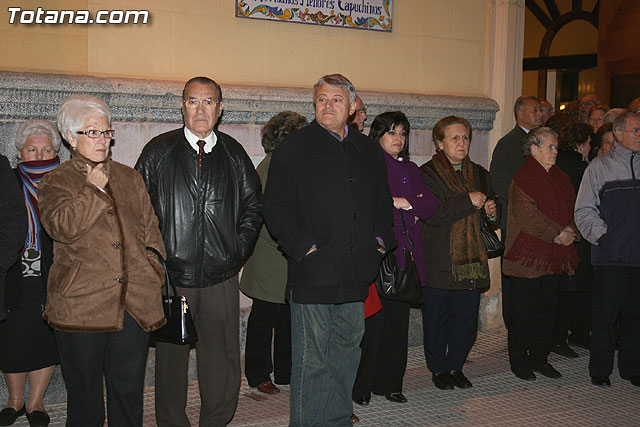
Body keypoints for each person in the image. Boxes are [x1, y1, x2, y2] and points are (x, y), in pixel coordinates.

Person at [263, 74, 395, 426]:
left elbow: (383, 203)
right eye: (322, 99)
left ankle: (337, 420)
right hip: (314, 272)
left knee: (346, 353)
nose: (328, 105)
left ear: (352, 107)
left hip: (356, 270)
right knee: (312, 360)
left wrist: (379, 245)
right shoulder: (294, 148)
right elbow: (276, 207)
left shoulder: (367, 149)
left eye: (337, 99)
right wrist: (304, 248)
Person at [135, 76, 263, 426]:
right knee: (171, 360)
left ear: (220, 109)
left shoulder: (233, 153)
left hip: (220, 276)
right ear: (183, 106)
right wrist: (154, 257)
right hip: (174, 279)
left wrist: (236, 250)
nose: (201, 109)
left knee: (221, 358)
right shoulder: (158, 152)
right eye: (193, 101)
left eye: (209, 102)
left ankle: (215, 420)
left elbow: (254, 205)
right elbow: (136, 209)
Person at [38, 95, 167, 426]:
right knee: (85, 400)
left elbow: (151, 232)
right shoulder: (57, 180)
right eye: (91, 132)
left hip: (133, 304)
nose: (102, 140)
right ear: (70, 138)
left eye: (105, 132)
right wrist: (93, 190)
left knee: (128, 394)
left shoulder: (130, 177)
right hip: (81, 307)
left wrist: (153, 269)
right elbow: (62, 228)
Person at [352, 111, 438, 405]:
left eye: (402, 133)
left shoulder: (412, 169)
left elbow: (430, 204)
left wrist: (405, 202)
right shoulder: (369, 164)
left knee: (398, 326)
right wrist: (396, 204)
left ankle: (390, 383)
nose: (398, 139)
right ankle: (362, 386)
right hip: (377, 255)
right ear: (377, 136)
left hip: (405, 257)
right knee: (371, 326)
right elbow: (365, 205)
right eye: (391, 132)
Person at [420, 116, 499, 390]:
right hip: (440, 259)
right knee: (436, 318)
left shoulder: (479, 173)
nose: (461, 143)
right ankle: (438, 368)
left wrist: (491, 210)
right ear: (440, 143)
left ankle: (456, 365)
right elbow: (432, 214)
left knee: (465, 320)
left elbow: (492, 203)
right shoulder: (427, 174)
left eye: (465, 137)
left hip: (471, 261)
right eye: (454, 138)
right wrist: (468, 201)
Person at [503, 127, 580, 382]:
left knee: (548, 312)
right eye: (549, 146)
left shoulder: (560, 177)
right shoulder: (524, 176)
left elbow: (572, 208)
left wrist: (571, 230)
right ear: (533, 149)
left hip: (553, 257)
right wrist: (560, 233)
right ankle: (519, 361)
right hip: (528, 257)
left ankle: (540, 358)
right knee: (523, 313)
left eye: (556, 147)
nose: (555, 151)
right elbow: (527, 216)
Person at [240, 111, 307, 395]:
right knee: (264, 319)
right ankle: (257, 374)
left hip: (285, 255)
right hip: (272, 256)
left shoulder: (289, 164)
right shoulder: (274, 166)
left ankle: (285, 371)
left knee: (287, 317)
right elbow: (266, 213)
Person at [0, 121, 61, 427]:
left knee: (44, 337)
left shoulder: (64, 182)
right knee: (12, 335)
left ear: (56, 151)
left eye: (46, 149)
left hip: (53, 270)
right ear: (20, 153)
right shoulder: (7, 180)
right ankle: (14, 401)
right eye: (32, 149)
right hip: (14, 269)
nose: (39, 155)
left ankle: (36, 402)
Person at [575, 111, 640, 388]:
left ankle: (632, 368)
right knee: (605, 317)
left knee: (636, 318)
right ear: (619, 134)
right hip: (611, 256)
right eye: (636, 130)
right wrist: (605, 237)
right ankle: (600, 369)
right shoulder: (600, 167)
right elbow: (584, 209)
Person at [490, 96, 542, 329]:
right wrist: (522, 206)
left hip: (538, 222)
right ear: (520, 114)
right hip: (515, 220)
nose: (540, 114)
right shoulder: (509, 143)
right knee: (514, 277)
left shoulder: (539, 142)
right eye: (535, 110)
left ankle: (532, 326)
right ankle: (515, 328)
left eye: (541, 110)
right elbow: (499, 181)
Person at [551, 120, 592, 358]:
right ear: (580, 144)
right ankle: (562, 337)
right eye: (588, 144)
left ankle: (561, 335)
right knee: (571, 289)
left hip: (565, 230)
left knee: (564, 289)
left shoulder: (559, 164)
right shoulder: (577, 167)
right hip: (574, 232)